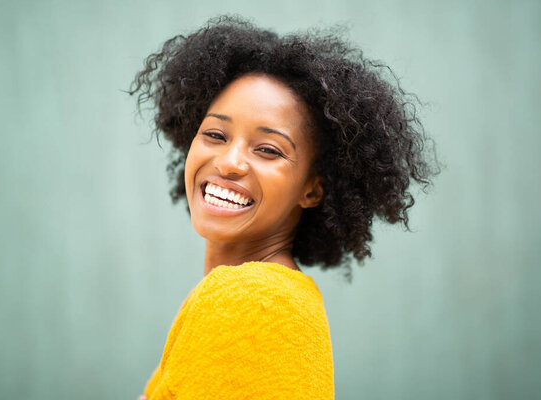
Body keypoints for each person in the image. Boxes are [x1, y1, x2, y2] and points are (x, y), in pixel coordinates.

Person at [129, 15, 437, 400]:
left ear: (312, 189)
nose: (230, 162)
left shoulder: (251, 298)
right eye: (215, 134)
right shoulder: (268, 295)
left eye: (268, 150)